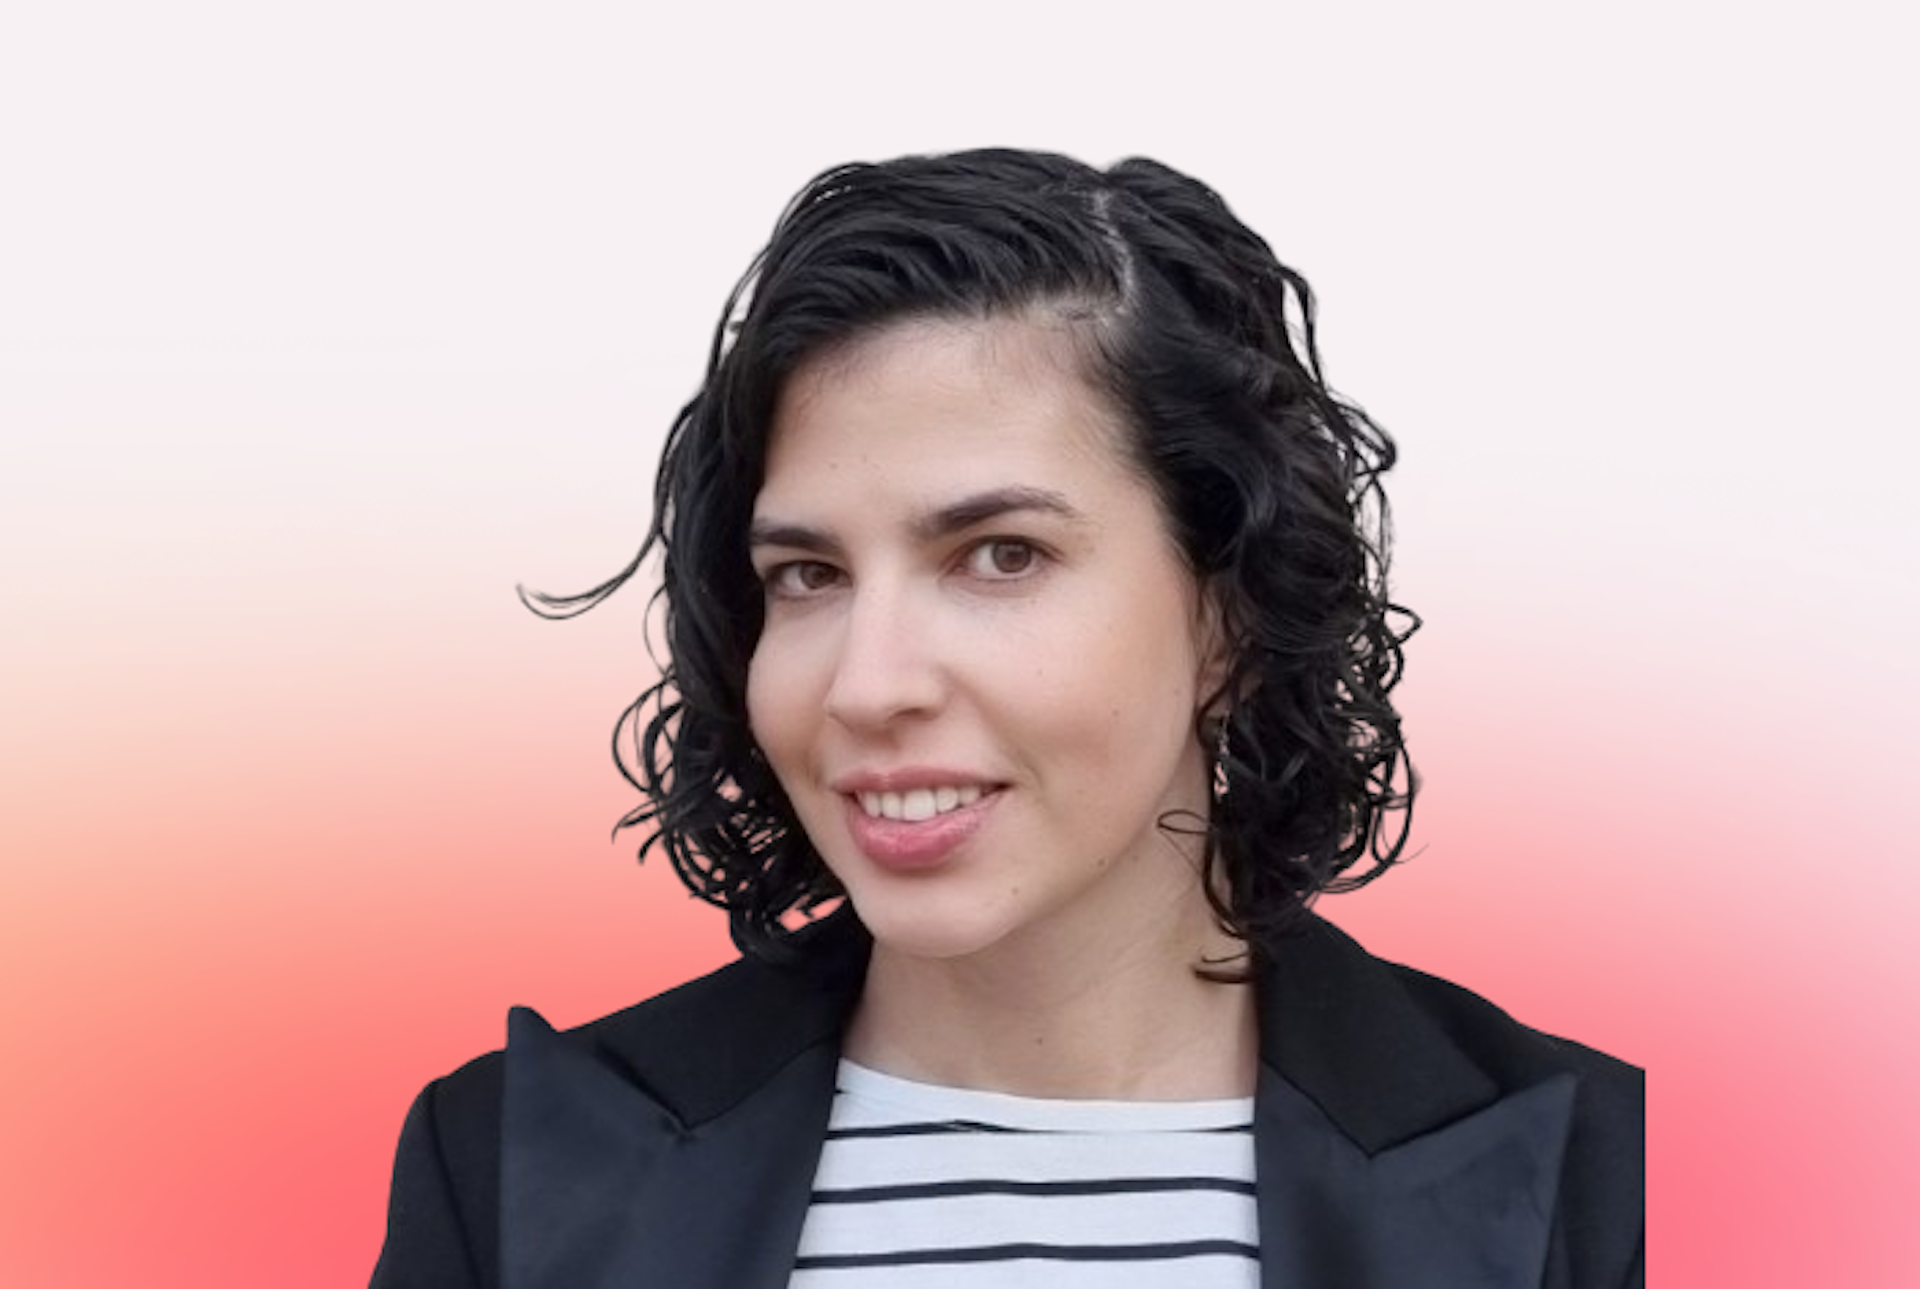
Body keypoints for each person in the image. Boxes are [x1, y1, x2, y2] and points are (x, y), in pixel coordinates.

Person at [371, 149, 1644, 1288]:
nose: (867, 684)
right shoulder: (501, 1168)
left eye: (1001, 555)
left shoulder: (1605, 1175)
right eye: (807, 574)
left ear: (1231, 611)